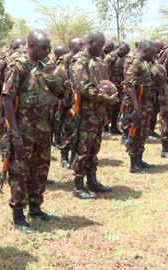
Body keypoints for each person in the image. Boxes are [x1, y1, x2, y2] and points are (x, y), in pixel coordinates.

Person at [2, 30, 68, 233]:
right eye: (44, 48)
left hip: (43, 129)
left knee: (40, 169)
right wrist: (14, 133)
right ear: (30, 46)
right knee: (20, 170)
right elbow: (6, 98)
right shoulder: (19, 66)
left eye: (49, 47)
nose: (48, 51)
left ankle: (36, 207)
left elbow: (60, 94)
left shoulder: (45, 67)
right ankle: (18, 215)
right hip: (24, 130)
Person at [70, 31, 118, 199]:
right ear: (90, 43)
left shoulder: (98, 61)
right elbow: (83, 87)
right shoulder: (79, 61)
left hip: (98, 113)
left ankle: (92, 180)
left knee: (94, 147)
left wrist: (110, 93)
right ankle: (78, 185)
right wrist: (104, 98)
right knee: (83, 149)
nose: (102, 49)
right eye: (100, 46)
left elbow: (104, 84)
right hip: (85, 114)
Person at [124, 40, 160, 173]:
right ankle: (134, 164)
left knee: (144, 132)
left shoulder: (146, 62)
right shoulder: (136, 63)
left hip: (147, 103)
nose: (154, 56)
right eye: (153, 54)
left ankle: (139, 159)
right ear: (145, 52)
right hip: (138, 103)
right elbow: (130, 85)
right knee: (136, 132)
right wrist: (136, 107)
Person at [58, 37, 84, 169]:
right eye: (79, 44)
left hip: (81, 100)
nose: (82, 46)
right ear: (71, 46)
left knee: (79, 130)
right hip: (68, 101)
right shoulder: (66, 59)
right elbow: (61, 75)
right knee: (68, 129)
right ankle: (64, 156)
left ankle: (75, 155)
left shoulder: (84, 59)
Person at [104, 42, 130, 135]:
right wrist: (107, 86)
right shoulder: (109, 57)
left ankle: (114, 127)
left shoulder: (122, 58)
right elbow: (105, 72)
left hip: (119, 86)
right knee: (108, 107)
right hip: (110, 87)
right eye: (125, 52)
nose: (125, 55)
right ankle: (105, 127)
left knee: (117, 107)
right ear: (120, 49)